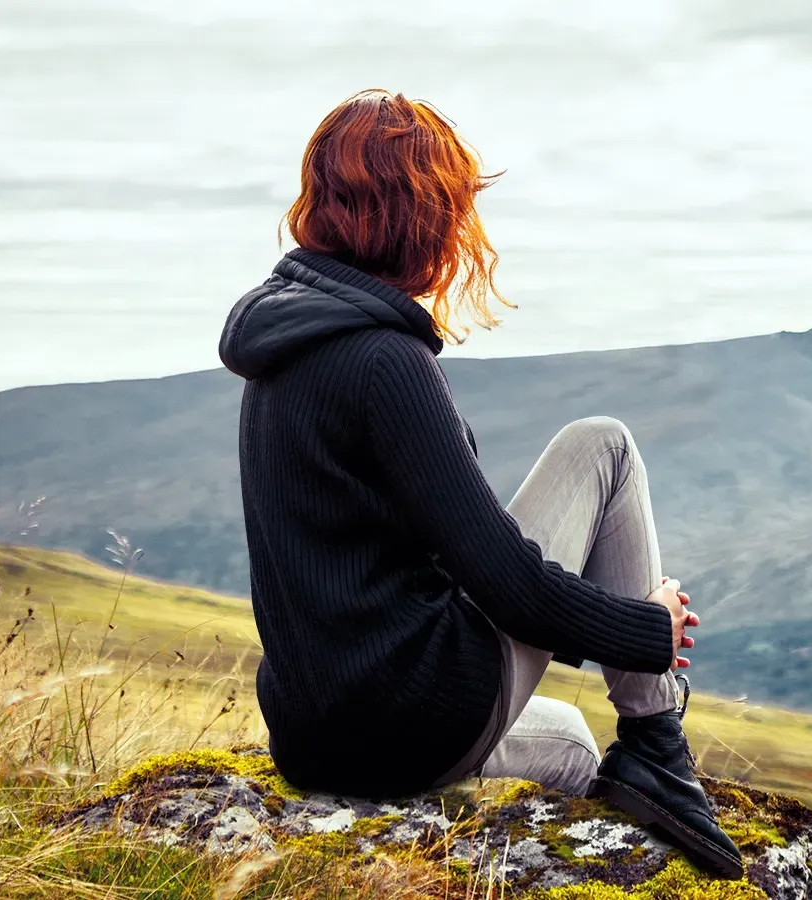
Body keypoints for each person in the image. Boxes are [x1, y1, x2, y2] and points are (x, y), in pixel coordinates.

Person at [217, 89, 743, 878]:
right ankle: (658, 742)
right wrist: (646, 629)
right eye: (450, 207)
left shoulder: (280, 350)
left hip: (317, 737)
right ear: (418, 215)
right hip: (412, 715)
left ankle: (609, 814)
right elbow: (506, 583)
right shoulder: (386, 363)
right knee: (604, 446)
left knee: (566, 742)